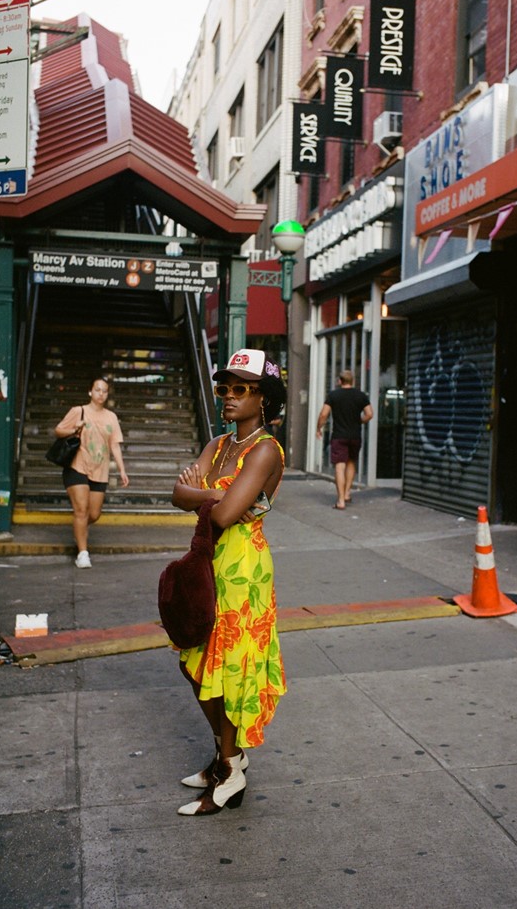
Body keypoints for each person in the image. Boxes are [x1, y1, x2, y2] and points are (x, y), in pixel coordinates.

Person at [171, 348, 287, 816]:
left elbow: (224, 513)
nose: (229, 396)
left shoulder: (265, 450)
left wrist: (206, 494)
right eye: (225, 388)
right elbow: (178, 495)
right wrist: (209, 492)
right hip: (207, 560)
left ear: (264, 399)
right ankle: (229, 756)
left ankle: (228, 769)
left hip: (243, 570)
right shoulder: (219, 445)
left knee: (229, 670)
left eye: (242, 389)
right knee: (193, 661)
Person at [53, 376, 129, 569]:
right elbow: (58, 431)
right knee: (81, 510)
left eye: (104, 390)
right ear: (90, 392)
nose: (101, 394)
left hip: (100, 470)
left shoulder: (111, 417)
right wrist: (74, 428)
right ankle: (83, 553)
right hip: (77, 467)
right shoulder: (79, 411)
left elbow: (115, 445)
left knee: (93, 514)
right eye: (97, 390)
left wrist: (121, 469)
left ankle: (79, 532)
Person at [316, 369, 373, 510]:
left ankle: (340, 501)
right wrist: (360, 421)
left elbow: (324, 414)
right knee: (351, 462)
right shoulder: (361, 396)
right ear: (352, 381)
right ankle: (347, 493)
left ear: (340, 381)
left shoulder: (333, 395)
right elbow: (370, 414)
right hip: (355, 435)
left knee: (339, 467)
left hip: (339, 436)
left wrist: (319, 428)